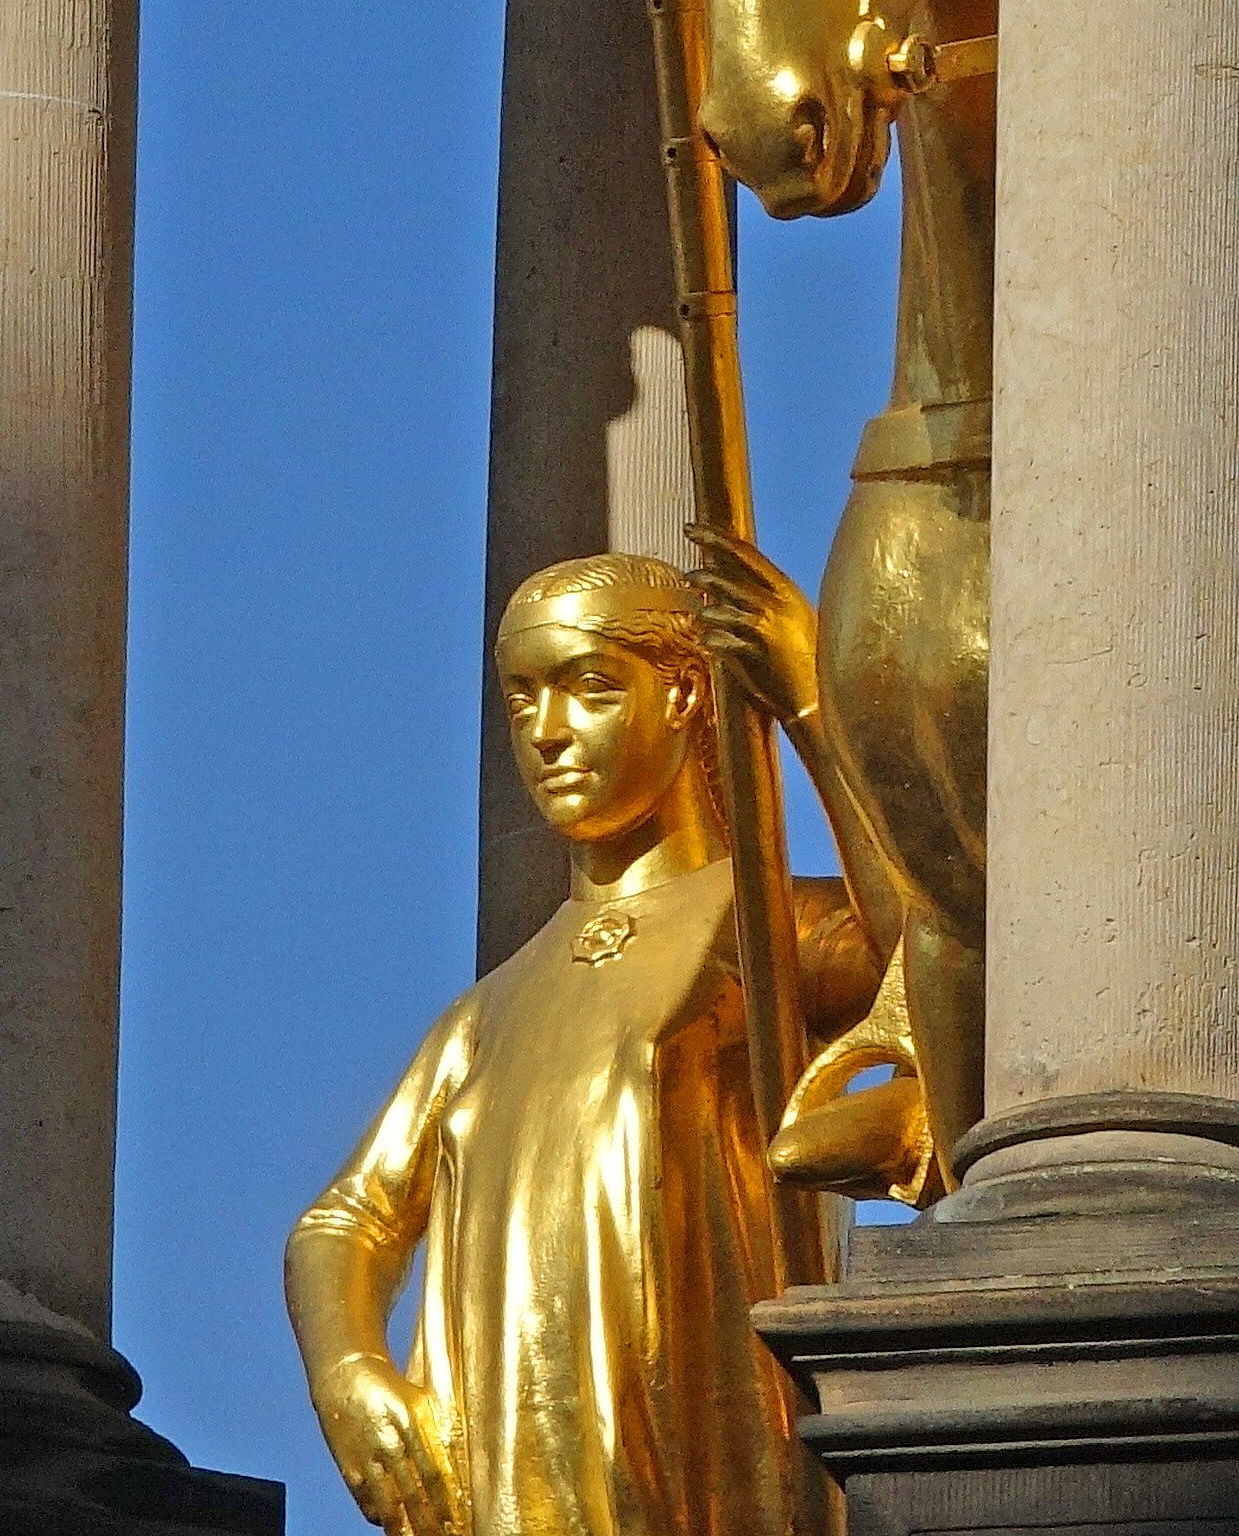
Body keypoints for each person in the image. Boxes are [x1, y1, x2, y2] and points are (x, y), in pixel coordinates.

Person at [285, 556, 869, 1536]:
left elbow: (931, 958)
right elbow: (345, 1220)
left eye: (589, 688)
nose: (545, 733)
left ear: (684, 693)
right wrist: (348, 1371)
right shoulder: (486, 1013)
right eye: (522, 697)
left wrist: (807, 702)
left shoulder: (767, 930)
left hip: (711, 1488)